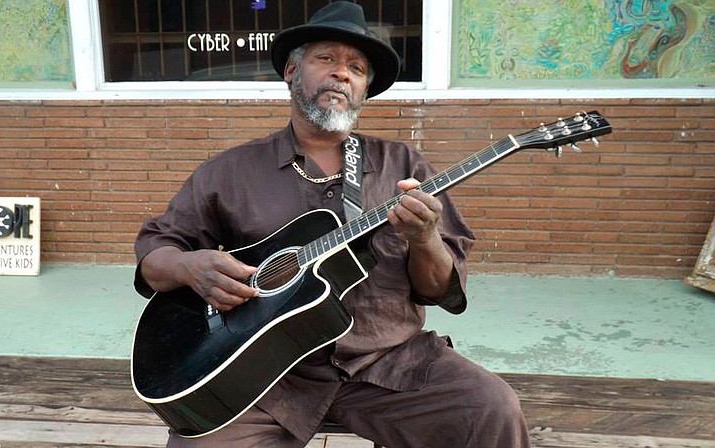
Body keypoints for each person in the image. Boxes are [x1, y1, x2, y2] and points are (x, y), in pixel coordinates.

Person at [133, 2, 530, 447]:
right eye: (327, 59)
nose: (343, 74)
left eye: (357, 68)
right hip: (266, 373)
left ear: (363, 90)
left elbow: (440, 288)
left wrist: (424, 239)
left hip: (388, 361)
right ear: (290, 71)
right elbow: (156, 251)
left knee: (491, 410)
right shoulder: (231, 171)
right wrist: (191, 268)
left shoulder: (403, 165)